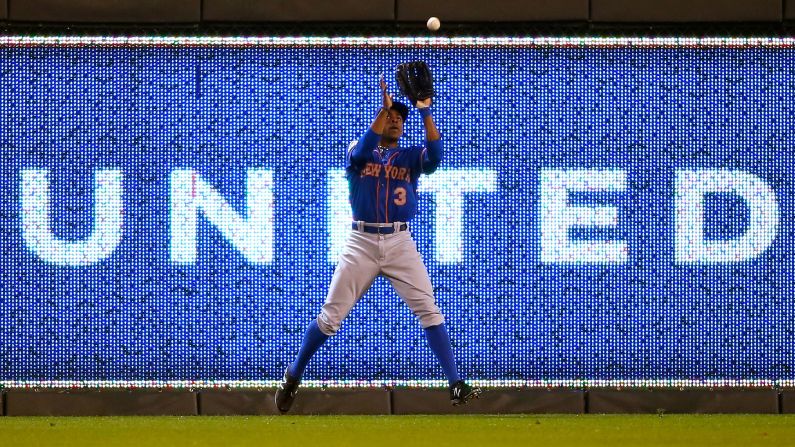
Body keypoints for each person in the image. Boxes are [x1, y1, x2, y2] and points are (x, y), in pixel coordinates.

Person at [275, 75, 481, 413]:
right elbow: (362, 153)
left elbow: (436, 156)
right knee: (330, 319)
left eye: (401, 117)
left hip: (400, 241)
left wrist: (425, 111)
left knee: (429, 310)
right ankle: (294, 374)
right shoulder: (360, 149)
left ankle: (455, 383)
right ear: (378, 120)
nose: (397, 120)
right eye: (391, 117)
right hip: (362, 242)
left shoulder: (409, 156)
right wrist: (382, 112)